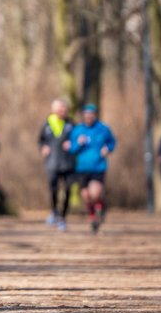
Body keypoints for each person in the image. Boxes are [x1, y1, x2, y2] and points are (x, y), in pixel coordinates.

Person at [68, 104, 116, 233]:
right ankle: (92, 215)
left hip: (98, 166)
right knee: (85, 195)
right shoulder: (77, 130)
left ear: (95, 115)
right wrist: (78, 143)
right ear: (83, 115)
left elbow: (112, 142)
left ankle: (100, 208)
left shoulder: (103, 129)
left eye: (91, 114)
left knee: (95, 193)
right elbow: (71, 149)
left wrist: (108, 149)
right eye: (86, 114)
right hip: (82, 167)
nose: (89, 116)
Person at [38, 99, 75, 231]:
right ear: (53, 110)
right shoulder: (47, 124)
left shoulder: (72, 124)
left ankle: (63, 217)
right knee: (53, 189)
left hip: (68, 163)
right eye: (58, 109)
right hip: (52, 163)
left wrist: (73, 145)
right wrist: (43, 147)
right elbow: (41, 140)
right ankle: (54, 211)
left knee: (68, 190)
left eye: (63, 109)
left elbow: (77, 140)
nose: (61, 111)